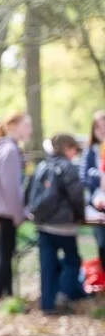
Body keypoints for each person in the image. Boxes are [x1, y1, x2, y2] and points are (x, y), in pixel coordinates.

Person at [26, 134, 87, 314]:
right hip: (64, 226)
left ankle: (47, 303)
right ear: (67, 148)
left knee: (47, 265)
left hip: (43, 224)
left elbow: (29, 193)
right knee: (72, 261)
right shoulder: (68, 168)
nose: (75, 153)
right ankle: (63, 295)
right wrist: (80, 216)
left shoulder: (41, 166)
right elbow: (77, 197)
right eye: (74, 149)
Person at [0, 112, 32, 299]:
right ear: (13, 126)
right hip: (7, 211)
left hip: (3, 211)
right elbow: (11, 188)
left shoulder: (5, 148)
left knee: (4, 253)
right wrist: (18, 214)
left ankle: (7, 294)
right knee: (4, 255)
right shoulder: (10, 151)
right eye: (26, 125)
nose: (30, 129)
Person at [80, 111, 105, 268]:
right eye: (98, 127)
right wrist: (100, 177)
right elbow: (83, 176)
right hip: (97, 205)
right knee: (102, 245)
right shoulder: (90, 150)